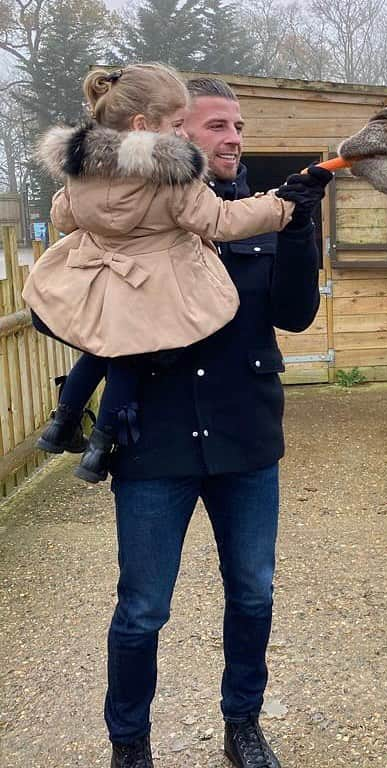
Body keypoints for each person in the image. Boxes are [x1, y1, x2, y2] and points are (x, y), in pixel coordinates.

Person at [102, 76, 332, 768]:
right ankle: (129, 745)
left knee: (253, 594)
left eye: (239, 127)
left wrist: (301, 224)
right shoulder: (133, 217)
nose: (234, 138)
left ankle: (243, 726)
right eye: (216, 126)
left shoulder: (258, 215)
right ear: (173, 134)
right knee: (142, 611)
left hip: (246, 436)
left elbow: (294, 315)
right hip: (155, 440)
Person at [23, 63, 299, 484]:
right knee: (128, 361)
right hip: (148, 288)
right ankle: (99, 446)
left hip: (99, 284)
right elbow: (221, 221)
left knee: (98, 353)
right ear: (143, 124)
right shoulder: (171, 178)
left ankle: (61, 423)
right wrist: (282, 206)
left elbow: (64, 216)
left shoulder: (82, 170)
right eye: (177, 124)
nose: (183, 134)